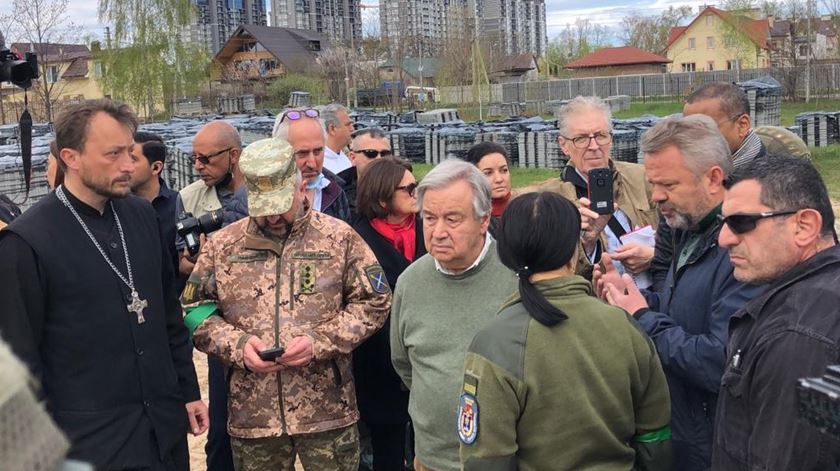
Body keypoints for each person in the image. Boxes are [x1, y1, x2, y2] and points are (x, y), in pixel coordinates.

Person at [0, 98, 207, 470]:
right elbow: (19, 365)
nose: (129, 165)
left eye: (130, 152)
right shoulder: (26, 244)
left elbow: (168, 316)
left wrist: (188, 391)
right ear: (71, 157)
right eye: (114, 154)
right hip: (89, 445)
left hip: (163, 431)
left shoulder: (142, 216)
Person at [183, 137, 391, 471]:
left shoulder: (339, 238)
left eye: (282, 203)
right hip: (254, 417)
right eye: (264, 207)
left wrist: (319, 342)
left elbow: (375, 301)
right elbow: (194, 311)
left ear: (300, 185)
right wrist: (237, 344)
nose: (275, 216)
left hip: (327, 413)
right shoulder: (223, 246)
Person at [594, 115, 765, 471]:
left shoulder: (745, 249)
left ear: (714, 178)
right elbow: (685, 311)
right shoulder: (685, 227)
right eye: (653, 183)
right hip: (686, 432)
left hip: (719, 446)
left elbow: (720, 361)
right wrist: (628, 298)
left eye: (668, 184)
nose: (656, 197)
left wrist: (642, 318)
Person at [459, 191, 672, 470]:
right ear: (574, 251)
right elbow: (655, 437)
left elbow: (486, 460)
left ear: (505, 253)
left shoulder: (494, 342)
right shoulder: (624, 325)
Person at [713, 156, 840, 470]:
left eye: (741, 222)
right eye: (722, 223)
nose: (724, 239)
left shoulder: (798, 338)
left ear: (804, 226)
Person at [390, 159, 518, 471]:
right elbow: (404, 365)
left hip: (503, 461)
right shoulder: (410, 282)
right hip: (433, 459)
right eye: (430, 218)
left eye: (453, 219)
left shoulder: (516, 278)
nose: (438, 232)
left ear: (484, 220)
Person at [518, 96, 659, 283]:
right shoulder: (549, 201)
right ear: (563, 145)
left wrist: (654, 255)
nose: (594, 146)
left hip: (652, 300)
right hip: (596, 306)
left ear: (612, 138)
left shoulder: (643, 178)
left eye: (600, 136)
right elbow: (550, 279)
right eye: (581, 139)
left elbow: (682, 237)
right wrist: (587, 242)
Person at [649, 82, 772, 290]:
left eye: (704, 128)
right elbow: (663, 266)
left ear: (742, 125)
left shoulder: (775, 187)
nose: (690, 138)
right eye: (686, 127)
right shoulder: (676, 193)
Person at [176, 119, 249, 471]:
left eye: (206, 159)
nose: (198, 167)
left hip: (268, 321)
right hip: (222, 331)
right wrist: (200, 260)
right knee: (220, 435)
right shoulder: (190, 198)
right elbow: (181, 267)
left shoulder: (265, 192)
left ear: (233, 155)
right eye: (194, 159)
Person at [351, 157, 424, 471]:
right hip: (377, 366)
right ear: (382, 198)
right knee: (387, 452)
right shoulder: (356, 240)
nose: (415, 193)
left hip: (424, 361)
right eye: (407, 188)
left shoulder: (428, 229)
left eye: (416, 185)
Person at [273, 108, 352, 223]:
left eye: (318, 151)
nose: (312, 163)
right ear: (280, 153)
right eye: (302, 153)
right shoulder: (257, 199)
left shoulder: (337, 192)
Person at [130, 131, 179, 277]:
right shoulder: (113, 207)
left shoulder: (179, 205)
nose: (124, 166)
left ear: (156, 167)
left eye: (132, 160)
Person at [338, 127, 393, 219]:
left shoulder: (405, 189)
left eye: (385, 154)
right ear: (353, 157)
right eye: (371, 153)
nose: (379, 159)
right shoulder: (337, 194)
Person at [464, 141, 511, 236]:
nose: (499, 179)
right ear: (472, 177)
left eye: (504, 170)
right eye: (488, 173)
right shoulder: (468, 220)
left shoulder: (528, 212)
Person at [320, 103, 355, 174]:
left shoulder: (343, 157)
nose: (352, 129)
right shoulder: (319, 164)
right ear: (332, 129)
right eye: (348, 125)